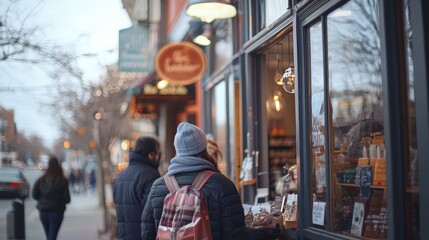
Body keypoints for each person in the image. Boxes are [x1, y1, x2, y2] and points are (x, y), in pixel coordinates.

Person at [141, 122, 279, 240]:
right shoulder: (222, 185)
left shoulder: (158, 187)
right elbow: (237, 237)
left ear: (178, 150)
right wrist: (270, 231)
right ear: (203, 148)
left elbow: (147, 234)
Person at [114, 136, 161, 240]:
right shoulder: (151, 176)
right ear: (151, 154)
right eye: (158, 153)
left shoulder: (121, 176)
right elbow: (153, 212)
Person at [32, 155, 71, 240]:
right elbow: (67, 199)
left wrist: (42, 200)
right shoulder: (62, 180)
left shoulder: (41, 180)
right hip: (57, 212)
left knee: (49, 236)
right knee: (52, 236)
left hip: (43, 212)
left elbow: (34, 194)